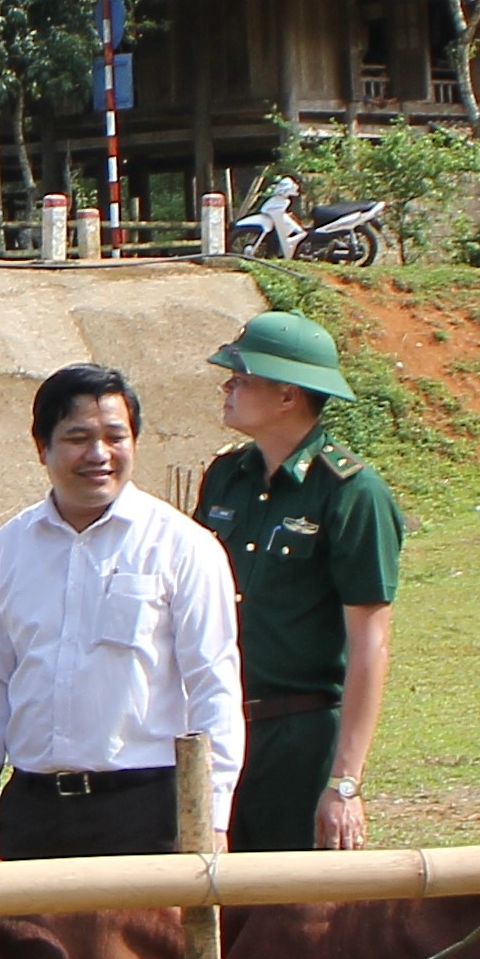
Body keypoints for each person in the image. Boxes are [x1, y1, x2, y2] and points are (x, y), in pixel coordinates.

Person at [0, 365, 245, 861]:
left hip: (147, 813)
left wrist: (211, 818)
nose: (99, 455)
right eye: (78, 437)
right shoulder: (10, 547)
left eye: (115, 436)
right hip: (35, 812)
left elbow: (213, 685)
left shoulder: (183, 547)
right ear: (41, 447)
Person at [195, 311, 402, 854]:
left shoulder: (352, 493)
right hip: (217, 731)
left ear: (287, 396)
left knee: (295, 918)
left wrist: (344, 782)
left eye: (241, 379)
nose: (227, 388)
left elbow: (370, 643)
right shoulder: (223, 478)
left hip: (299, 736)